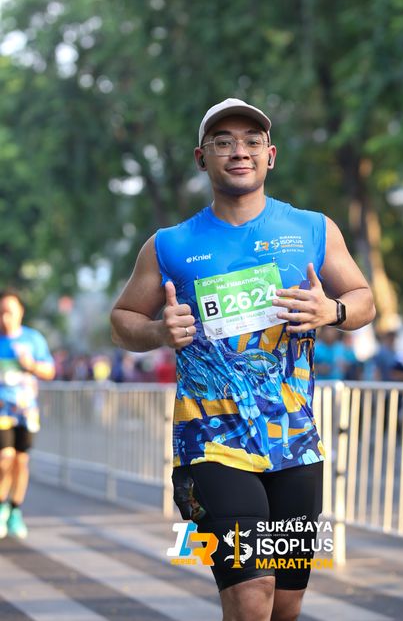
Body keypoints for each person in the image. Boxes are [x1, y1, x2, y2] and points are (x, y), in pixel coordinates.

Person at [110, 98, 375, 621]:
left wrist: (333, 310)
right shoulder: (170, 245)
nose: (239, 152)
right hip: (211, 446)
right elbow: (121, 321)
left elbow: (364, 299)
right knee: (251, 595)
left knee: (285, 605)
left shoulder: (313, 230)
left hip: (295, 445)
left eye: (252, 142)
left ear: (270, 156)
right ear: (201, 158)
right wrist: (159, 330)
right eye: (223, 142)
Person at [0, 289, 55, 539]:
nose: (5, 318)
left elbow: (50, 371)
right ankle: (1, 505)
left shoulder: (33, 339)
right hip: (2, 410)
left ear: (20, 312)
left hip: (26, 410)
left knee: (21, 460)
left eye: (9, 312)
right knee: (5, 457)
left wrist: (30, 365)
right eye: (1, 312)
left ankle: (14, 510)